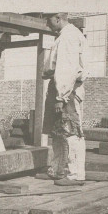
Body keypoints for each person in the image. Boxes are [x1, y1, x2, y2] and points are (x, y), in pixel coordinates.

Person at [42, 13, 88, 186]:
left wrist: (61, 96)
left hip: (67, 90)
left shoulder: (69, 36)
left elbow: (67, 69)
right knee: (58, 132)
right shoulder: (64, 36)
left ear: (57, 18)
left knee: (71, 132)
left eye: (48, 20)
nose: (47, 24)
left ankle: (76, 175)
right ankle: (58, 170)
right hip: (61, 88)